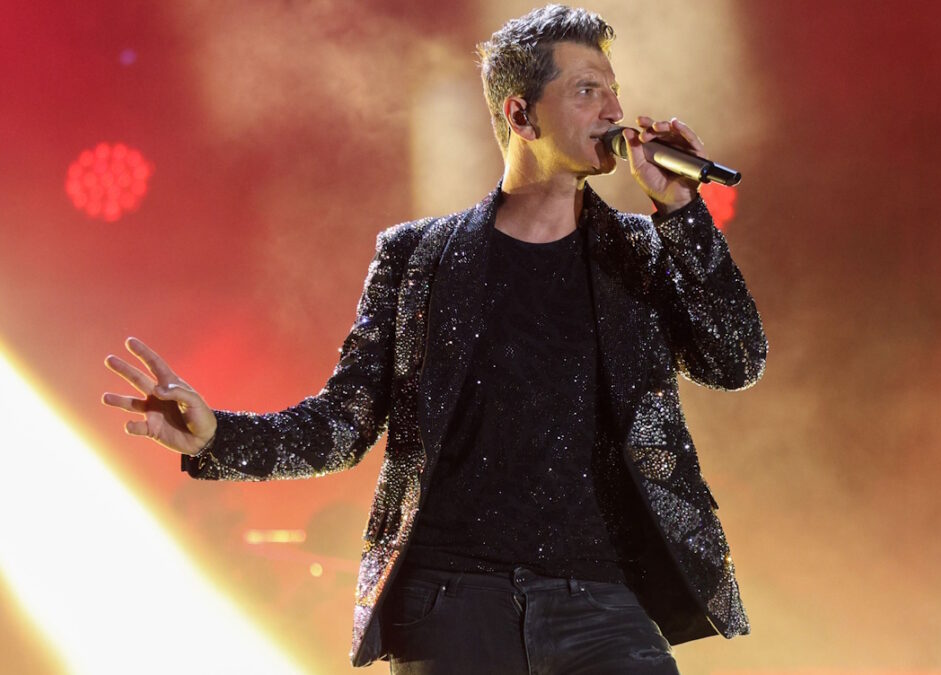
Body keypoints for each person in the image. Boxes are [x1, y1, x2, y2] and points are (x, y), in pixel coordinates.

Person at [103, 5, 766, 673]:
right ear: (521, 115)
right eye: (587, 90)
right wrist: (218, 437)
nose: (615, 111)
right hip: (452, 604)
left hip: (605, 604)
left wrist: (682, 211)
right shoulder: (419, 258)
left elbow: (735, 360)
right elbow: (345, 422)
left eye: (613, 90)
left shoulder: (644, 250)